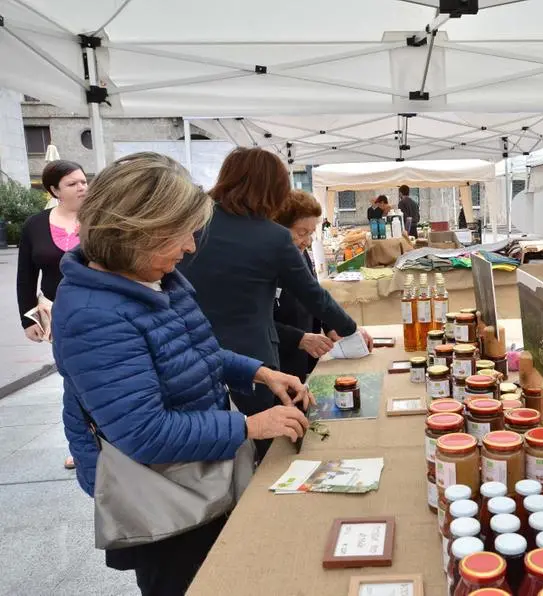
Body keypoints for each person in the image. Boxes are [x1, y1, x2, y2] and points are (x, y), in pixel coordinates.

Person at [52, 152, 311, 595]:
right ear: (137, 232)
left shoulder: (155, 278)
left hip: (195, 474)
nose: (190, 247)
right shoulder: (94, 315)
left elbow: (197, 351)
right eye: (181, 235)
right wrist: (249, 425)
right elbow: (144, 433)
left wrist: (260, 372)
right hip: (160, 498)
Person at [178, 147, 369, 458]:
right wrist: (350, 329)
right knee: (277, 442)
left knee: (211, 437)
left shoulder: (193, 224)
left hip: (190, 347)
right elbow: (313, 295)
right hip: (252, 354)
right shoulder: (272, 236)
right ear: (274, 190)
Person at [16, 159, 87, 470]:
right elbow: (25, 276)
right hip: (58, 315)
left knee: (102, 375)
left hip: (98, 310)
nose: (82, 187)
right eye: (72, 184)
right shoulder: (35, 225)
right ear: (54, 190)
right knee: (72, 379)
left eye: (84, 181)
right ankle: (81, 445)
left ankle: (109, 438)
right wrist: (27, 319)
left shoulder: (99, 219)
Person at [274, 190, 334, 381]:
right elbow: (256, 322)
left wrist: (330, 325)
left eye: (311, 234)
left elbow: (312, 294)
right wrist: (299, 338)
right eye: (302, 233)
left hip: (303, 363)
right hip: (276, 367)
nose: (307, 241)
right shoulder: (263, 263)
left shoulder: (300, 253)